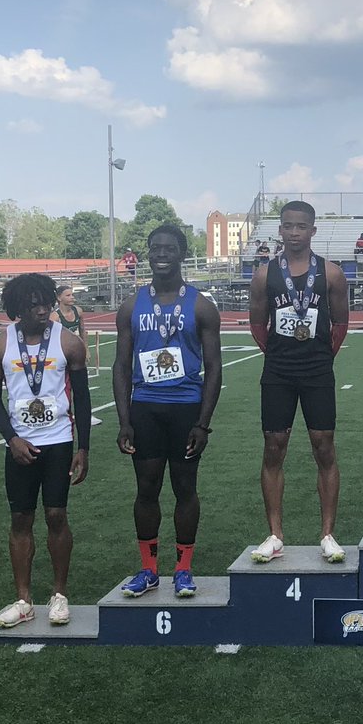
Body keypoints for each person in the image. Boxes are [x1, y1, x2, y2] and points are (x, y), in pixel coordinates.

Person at [113, 225, 222, 597]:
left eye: (169, 248)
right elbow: (120, 366)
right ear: (147, 254)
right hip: (145, 408)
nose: (161, 254)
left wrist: (203, 424)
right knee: (146, 489)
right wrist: (124, 419)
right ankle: (148, 569)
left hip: (185, 408)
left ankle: (183, 569)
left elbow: (215, 367)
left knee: (185, 488)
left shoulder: (201, 305)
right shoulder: (131, 305)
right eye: (155, 248)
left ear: (181, 253)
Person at [0, 274, 91, 627]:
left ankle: (59, 594)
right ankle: (23, 599)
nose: (43, 309)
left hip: (58, 441)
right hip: (20, 446)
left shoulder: (69, 344)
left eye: (46, 302)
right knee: (20, 519)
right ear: (17, 308)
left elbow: (84, 399)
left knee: (57, 516)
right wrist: (11, 438)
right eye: (34, 304)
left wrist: (83, 447)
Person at [249, 202, 350, 564]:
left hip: (318, 371)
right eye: (288, 226)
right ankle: (275, 534)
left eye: (301, 226)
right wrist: (279, 355)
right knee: (274, 447)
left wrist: (320, 356)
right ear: (280, 230)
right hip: (278, 372)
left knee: (324, 446)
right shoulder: (264, 274)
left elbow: (340, 324)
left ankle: (327, 533)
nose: (294, 233)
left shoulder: (332, 273)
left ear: (313, 230)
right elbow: (257, 324)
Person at [51, 284, 90, 367]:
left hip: (72, 349)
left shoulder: (78, 311)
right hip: (59, 351)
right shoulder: (55, 317)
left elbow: (82, 331)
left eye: (72, 295)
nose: (72, 297)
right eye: (68, 295)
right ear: (59, 298)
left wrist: (86, 350)